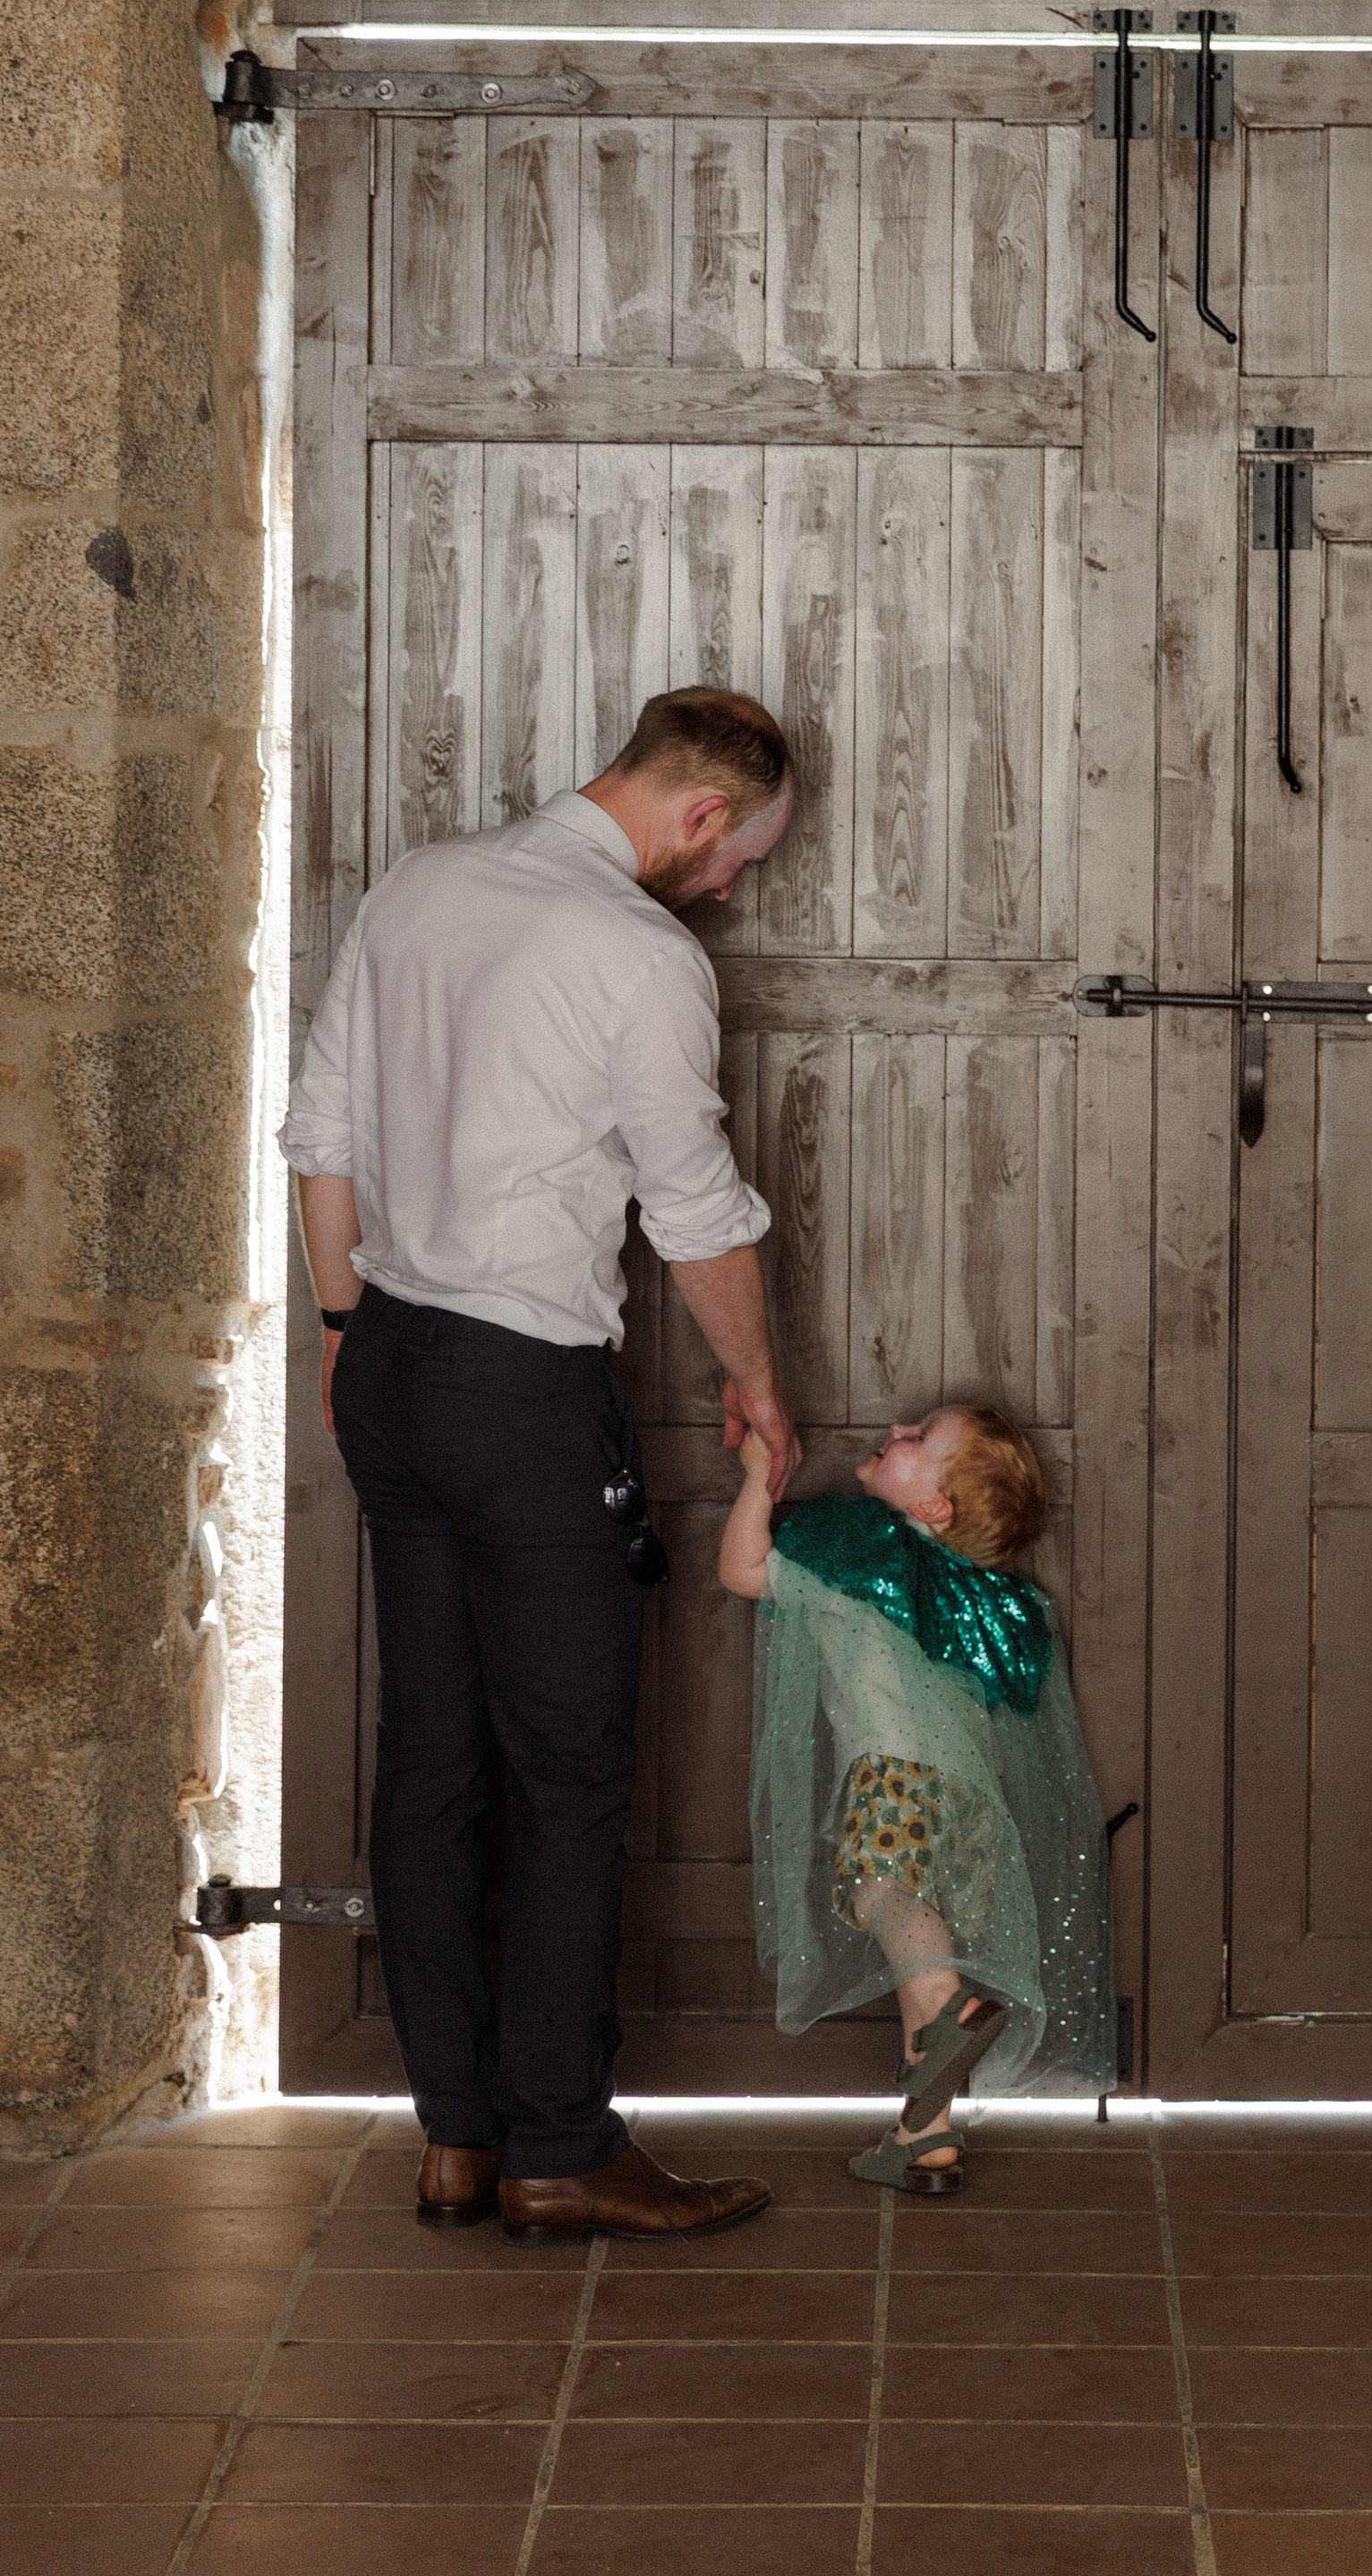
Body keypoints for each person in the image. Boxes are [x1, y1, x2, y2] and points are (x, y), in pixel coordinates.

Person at [279, 686, 804, 2244]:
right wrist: (761, 1388)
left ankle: (457, 2133)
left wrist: (338, 1330)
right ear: (703, 812)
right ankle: (561, 2141)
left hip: (392, 1362)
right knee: (570, 1774)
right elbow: (692, 1207)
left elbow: (321, 1127)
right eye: (739, 858)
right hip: (521, 1394)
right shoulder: (640, 955)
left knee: (432, 1758)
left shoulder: (418, 883)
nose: (729, 888)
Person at [719, 1404, 1114, 2194]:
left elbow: (742, 1570)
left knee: (879, 1893)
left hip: (892, 1777)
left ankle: (952, 2010)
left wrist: (761, 1482)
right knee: (917, 1949)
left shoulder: (862, 1555)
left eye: (919, 1437)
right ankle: (925, 2135)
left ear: (934, 1507)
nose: (896, 1428)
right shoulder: (984, 1595)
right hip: (970, 1804)